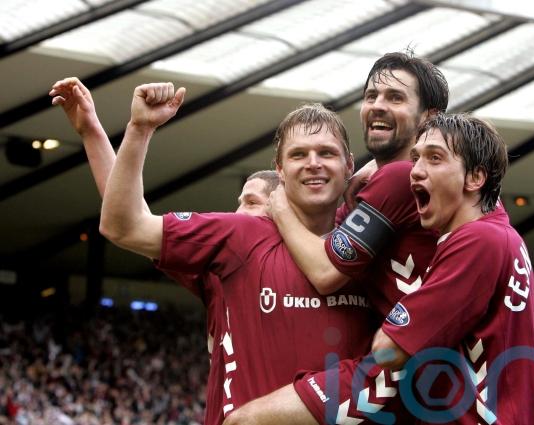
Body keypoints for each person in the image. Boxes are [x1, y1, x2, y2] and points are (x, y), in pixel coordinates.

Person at [96, 82, 376, 424]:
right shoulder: (240, 235)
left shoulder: (375, 247)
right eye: (298, 155)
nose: (313, 163)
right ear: (280, 170)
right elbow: (124, 226)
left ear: (349, 165)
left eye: (327, 153)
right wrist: (140, 129)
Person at [49, 78, 320, 425]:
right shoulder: (220, 269)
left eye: (251, 203)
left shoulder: (333, 263)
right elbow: (129, 218)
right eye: (239, 202)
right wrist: (92, 131)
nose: (238, 213)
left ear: (283, 206)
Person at [225, 52, 450, 424]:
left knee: (245, 420)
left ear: (429, 118)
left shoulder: (399, 178)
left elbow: (326, 272)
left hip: (404, 368)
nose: (378, 105)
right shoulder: (401, 180)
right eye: (371, 95)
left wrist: (279, 205)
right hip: (421, 375)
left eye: (395, 98)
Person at [370, 113, 534, 424]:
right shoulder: (502, 235)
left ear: (475, 178)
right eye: (415, 158)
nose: (415, 171)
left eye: (435, 158)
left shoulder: (477, 240)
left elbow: (386, 351)